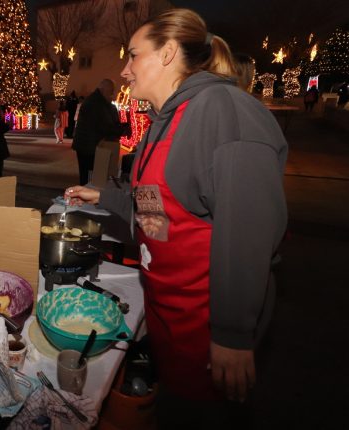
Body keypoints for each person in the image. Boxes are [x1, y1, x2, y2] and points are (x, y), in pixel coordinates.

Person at [65, 8, 287, 428]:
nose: (124, 70)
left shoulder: (225, 113)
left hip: (207, 328)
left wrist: (232, 334)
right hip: (167, 317)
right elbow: (156, 208)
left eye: (133, 55)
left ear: (167, 53)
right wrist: (106, 196)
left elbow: (249, 234)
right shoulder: (162, 121)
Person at [71, 79, 126, 185]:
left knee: (89, 176)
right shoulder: (96, 103)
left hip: (89, 146)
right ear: (103, 89)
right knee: (90, 178)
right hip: (89, 148)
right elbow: (105, 126)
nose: (112, 94)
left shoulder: (100, 102)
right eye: (111, 91)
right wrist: (121, 130)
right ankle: (85, 193)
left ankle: (86, 191)